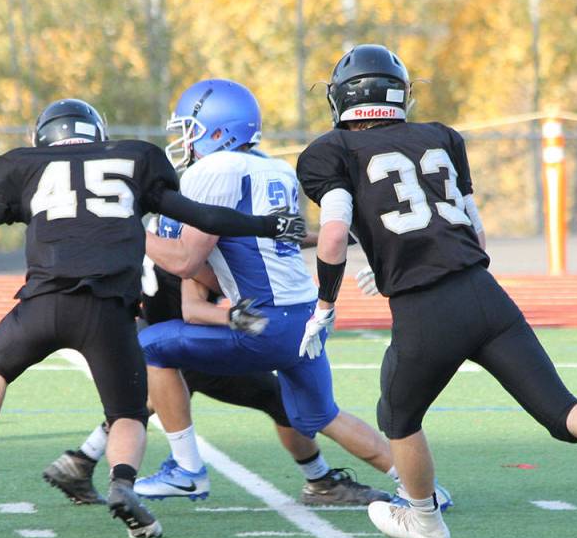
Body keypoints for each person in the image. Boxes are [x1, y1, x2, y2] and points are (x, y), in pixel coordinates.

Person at [297, 43, 577, 538]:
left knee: (398, 417)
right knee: (561, 407)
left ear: (341, 99)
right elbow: (469, 232)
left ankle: (424, 519)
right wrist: (392, 262)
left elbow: (334, 238)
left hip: (425, 309)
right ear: (399, 95)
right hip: (485, 294)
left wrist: (325, 308)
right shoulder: (441, 137)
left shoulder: (327, 151)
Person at [0, 98, 305, 538]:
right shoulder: (133, 160)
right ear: (98, 135)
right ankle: (123, 485)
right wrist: (268, 225)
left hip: (42, 303)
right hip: (107, 311)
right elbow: (202, 217)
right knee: (127, 412)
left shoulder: (25, 167)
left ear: (42, 137)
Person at [131, 79, 449, 511]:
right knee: (322, 415)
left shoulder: (215, 170)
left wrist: (129, 230)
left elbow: (186, 261)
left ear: (218, 131)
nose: (185, 139)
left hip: (268, 324)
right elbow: (263, 243)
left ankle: (187, 470)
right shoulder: (273, 168)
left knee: (150, 346)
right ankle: (422, 489)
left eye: (190, 128)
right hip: (305, 317)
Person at [45, 215, 424, 508]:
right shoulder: (198, 237)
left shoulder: (162, 229)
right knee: (272, 399)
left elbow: (271, 236)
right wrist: (235, 317)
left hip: (158, 332)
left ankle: (82, 461)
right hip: (181, 343)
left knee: (143, 400)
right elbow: (195, 298)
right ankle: (320, 480)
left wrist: (346, 235)